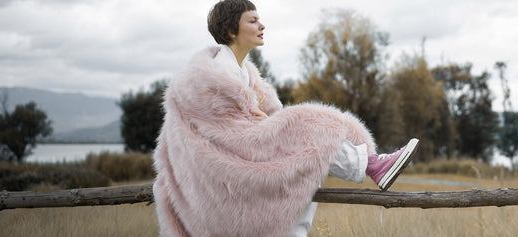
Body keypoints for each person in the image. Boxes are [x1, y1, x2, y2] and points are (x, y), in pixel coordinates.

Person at [152, 0, 419, 236]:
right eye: (253, 20)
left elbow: (253, 123)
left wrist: (266, 124)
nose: (262, 25)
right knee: (307, 129)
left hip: (242, 160)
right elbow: (222, 134)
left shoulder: (244, 73)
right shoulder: (210, 76)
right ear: (232, 30)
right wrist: (269, 126)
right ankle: (372, 166)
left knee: (304, 171)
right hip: (223, 174)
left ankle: (371, 165)